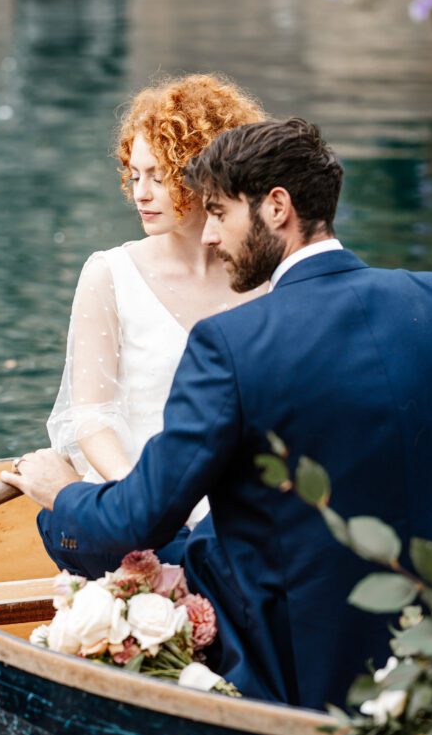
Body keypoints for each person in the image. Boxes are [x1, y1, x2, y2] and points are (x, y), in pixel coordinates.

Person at [1, 117, 432, 711]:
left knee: (80, 535)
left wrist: (61, 493)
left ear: (277, 207)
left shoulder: (229, 342)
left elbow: (135, 523)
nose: (208, 236)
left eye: (220, 213)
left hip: (297, 657)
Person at [43, 74, 266, 570]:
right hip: (138, 503)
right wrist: (143, 499)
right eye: (134, 174)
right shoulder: (109, 274)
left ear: (209, 177)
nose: (140, 193)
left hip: (240, 506)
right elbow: (93, 417)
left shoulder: (262, 279)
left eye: (158, 177)